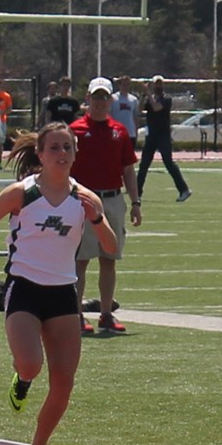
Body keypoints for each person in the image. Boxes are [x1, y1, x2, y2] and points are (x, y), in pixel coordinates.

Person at [0, 124, 114, 445]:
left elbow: (112, 248)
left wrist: (97, 218)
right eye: (54, 148)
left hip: (63, 294)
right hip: (24, 287)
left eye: (67, 147)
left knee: (64, 382)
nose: (62, 154)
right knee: (30, 363)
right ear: (40, 155)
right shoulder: (20, 194)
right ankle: (21, 381)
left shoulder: (85, 199)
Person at [71, 78, 141, 335]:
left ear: (110, 100)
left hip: (113, 199)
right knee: (81, 259)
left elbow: (128, 170)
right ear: (87, 98)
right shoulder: (75, 130)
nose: (100, 102)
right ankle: (77, 314)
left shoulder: (119, 131)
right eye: (96, 97)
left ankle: (106, 313)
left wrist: (135, 202)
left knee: (109, 258)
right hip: (84, 199)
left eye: (104, 97)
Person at [137, 75, 191, 202]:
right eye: (156, 84)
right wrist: (143, 96)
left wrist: (148, 94)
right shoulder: (151, 99)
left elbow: (156, 108)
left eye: (160, 84)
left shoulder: (166, 99)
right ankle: (137, 194)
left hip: (163, 136)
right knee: (144, 165)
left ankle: (184, 190)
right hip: (151, 136)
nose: (158, 86)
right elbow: (140, 110)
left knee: (169, 163)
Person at [110, 76, 140, 143]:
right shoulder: (113, 98)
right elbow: (109, 115)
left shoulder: (134, 100)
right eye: (124, 84)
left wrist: (136, 133)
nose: (126, 86)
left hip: (130, 134)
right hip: (116, 133)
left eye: (127, 84)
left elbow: (136, 118)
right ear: (119, 85)